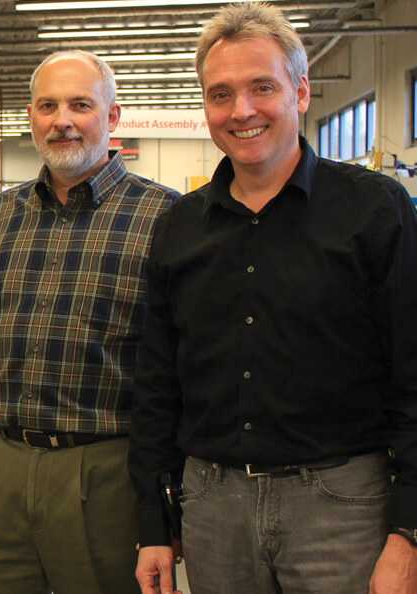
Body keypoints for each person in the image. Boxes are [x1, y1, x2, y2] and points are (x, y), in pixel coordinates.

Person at [129, 5, 417, 594]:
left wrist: (409, 530)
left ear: (301, 91)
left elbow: (415, 374)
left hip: (342, 505)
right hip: (211, 505)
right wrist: (154, 524)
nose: (242, 111)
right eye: (221, 93)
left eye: (263, 87)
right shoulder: (180, 226)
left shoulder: (374, 210)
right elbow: (158, 384)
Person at [0, 50, 178, 593]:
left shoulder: (165, 217)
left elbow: (183, 369)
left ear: (111, 118)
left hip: (107, 473)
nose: (62, 119)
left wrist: (166, 503)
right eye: (48, 105)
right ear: (31, 117)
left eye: (80, 104)